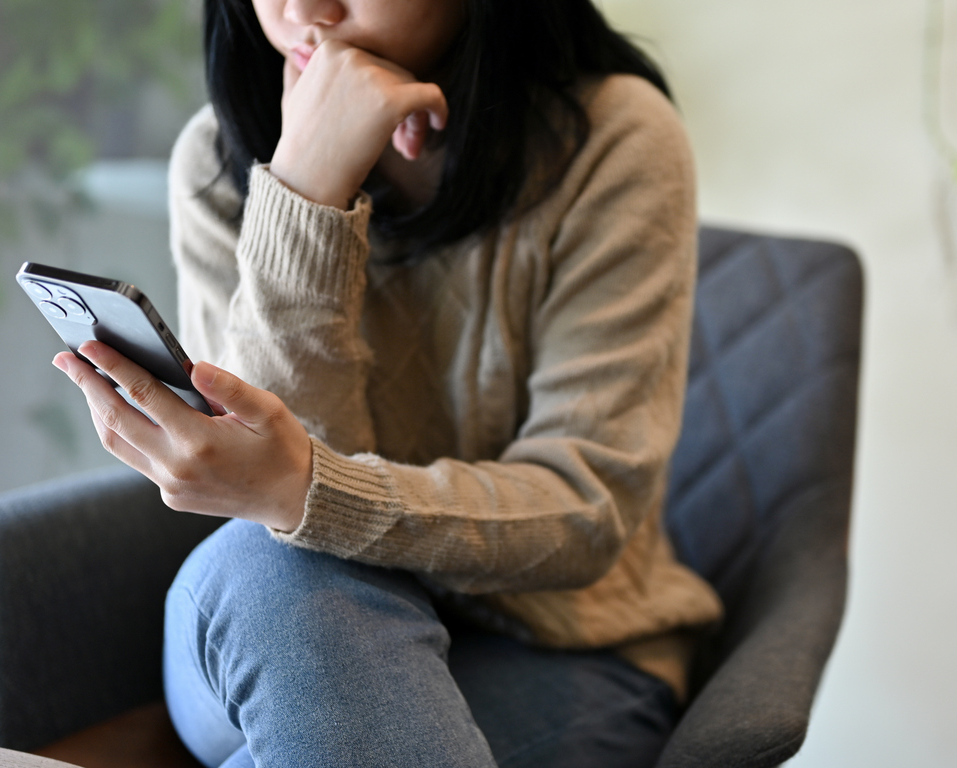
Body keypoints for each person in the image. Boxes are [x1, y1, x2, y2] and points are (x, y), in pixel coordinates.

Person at [53, 0, 723, 765]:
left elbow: (586, 509)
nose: (305, 9)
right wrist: (304, 190)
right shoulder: (216, 158)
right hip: (283, 618)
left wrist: (308, 491)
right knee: (271, 568)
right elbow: (281, 505)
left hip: (556, 644)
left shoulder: (612, 138)